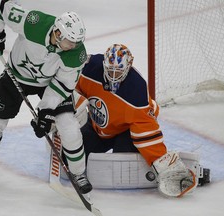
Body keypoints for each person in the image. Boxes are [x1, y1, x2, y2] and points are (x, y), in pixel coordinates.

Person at [0, 0, 92, 194]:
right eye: (71, 41)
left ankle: (78, 173)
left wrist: (45, 111)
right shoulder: (34, 22)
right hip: (16, 76)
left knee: (68, 125)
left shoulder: (76, 54)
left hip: (50, 83)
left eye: (77, 41)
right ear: (58, 33)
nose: (75, 45)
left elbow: (62, 84)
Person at [74, 44, 197, 197]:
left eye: (118, 72)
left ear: (128, 67)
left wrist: (160, 160)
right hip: (100, 126)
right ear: (103, 64)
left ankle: (150, 159)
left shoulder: (135, 88)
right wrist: (63, 111)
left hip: (127, 129)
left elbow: (145, 129)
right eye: (109, 70)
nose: (113, 76)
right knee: (75, 154)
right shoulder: (90, 68)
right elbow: (68, 81)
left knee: (123, 163)